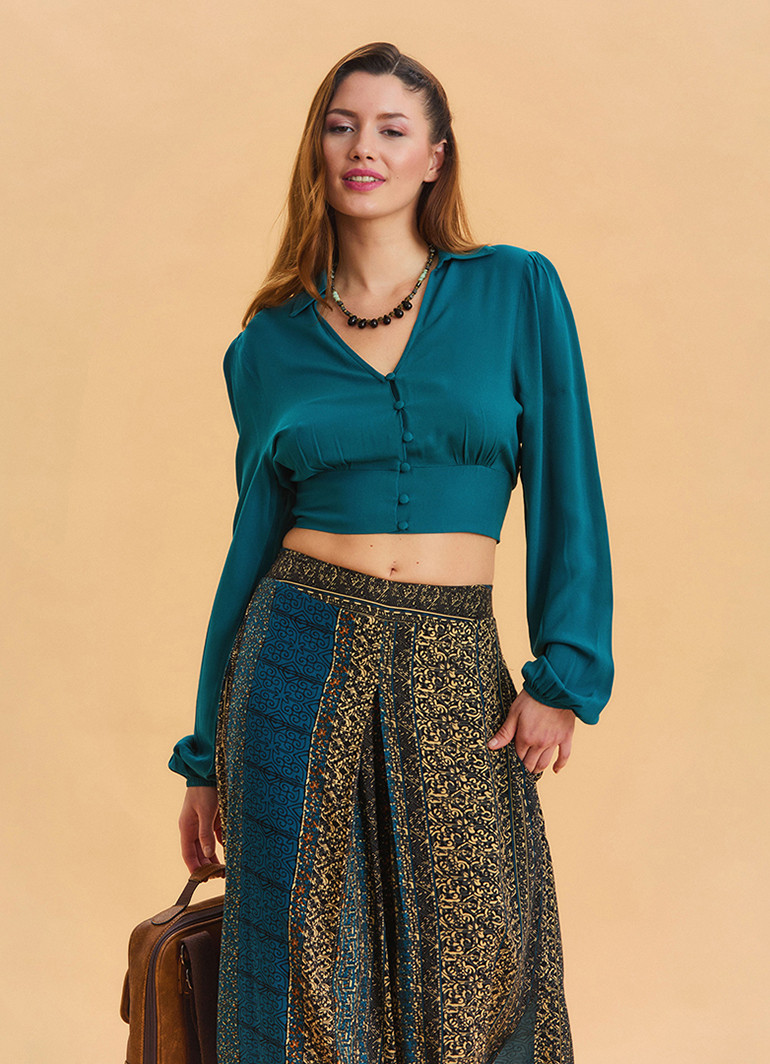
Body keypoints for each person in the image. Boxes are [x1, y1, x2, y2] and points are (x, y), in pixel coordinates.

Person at [169, 41, 613, 1064]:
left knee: (479, 969)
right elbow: (248, 547)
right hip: (295, 649)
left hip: (452, 656)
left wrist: (566, 671)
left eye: (390, 128)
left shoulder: (514, 290)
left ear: (433, 158)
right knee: (299, 985)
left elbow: (568, 484)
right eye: (341, 126)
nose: (361, 147)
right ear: (316, 150)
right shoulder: (268, 343)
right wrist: (203, 757)